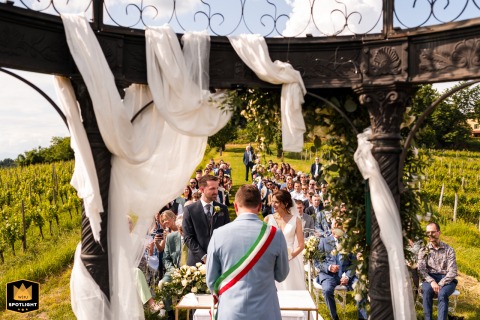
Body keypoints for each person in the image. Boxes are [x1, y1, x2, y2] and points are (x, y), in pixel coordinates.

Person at [206, 184, 289, 320]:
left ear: (235, 206)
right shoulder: (276, 235)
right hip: (266, 311)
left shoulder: (218, 234)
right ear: (260, 206)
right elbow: (281, 274)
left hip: (230, 311)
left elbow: (211, 280)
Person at [314, 220, 367, 320]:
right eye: (336, 228)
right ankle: (335, 318)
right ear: (332, 229)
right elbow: (317, 262)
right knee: (327, 290)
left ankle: (362, 318)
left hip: (346, 274)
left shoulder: (348, 243)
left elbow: (353, 263)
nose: (338, 230)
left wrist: (347, 276)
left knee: (360, 288)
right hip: (329, 275)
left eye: (340, 228)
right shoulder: (324, 242)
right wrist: (329, 267)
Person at [182, 175, 230, 266]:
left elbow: (227, 235)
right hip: (196, 264)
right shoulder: (190, 210)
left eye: (216, 188)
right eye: (212, 189)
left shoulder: (223, 209)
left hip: (219, 262)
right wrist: (204, 257)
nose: (216, 192)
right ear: (201, 189)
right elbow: (188, 238)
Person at [265, 189, 306, 290]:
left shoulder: (296, 220)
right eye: (272, 201)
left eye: (276, 202)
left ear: (286, 203)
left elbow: (301, 245)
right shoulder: (268, 219)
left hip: (290, 261)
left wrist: (289, 256)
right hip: (272, 261)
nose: (273, 204)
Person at [418, 222, 458, 320]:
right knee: (427, 291)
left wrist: (441, 284)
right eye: (428, 232)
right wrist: (432, 282)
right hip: (430, 278)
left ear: (439, 233)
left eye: (433, 232)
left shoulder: (449, 250)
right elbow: (421, 269)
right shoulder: (423, 250)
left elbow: (452, 271)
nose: (430, 235)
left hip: (447, 280)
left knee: (442, 294)